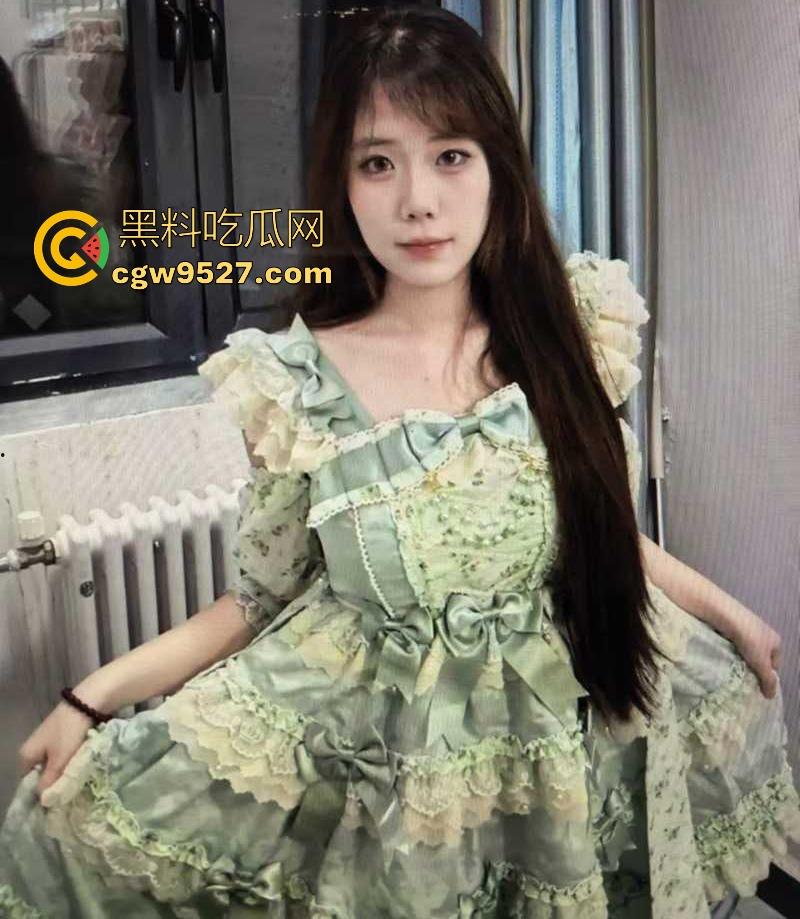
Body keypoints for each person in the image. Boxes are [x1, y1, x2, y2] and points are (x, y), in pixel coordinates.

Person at [1, 6, 798, 917]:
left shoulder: (567, 330)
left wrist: (734, 615)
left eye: (450, 155)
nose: (417, 200)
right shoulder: (296, 386)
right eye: (378, 163)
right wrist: (91, 698)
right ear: (340, 185)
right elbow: (257, 602)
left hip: (573, 744)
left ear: (498, 168)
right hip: (409, 788)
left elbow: (607, 530)